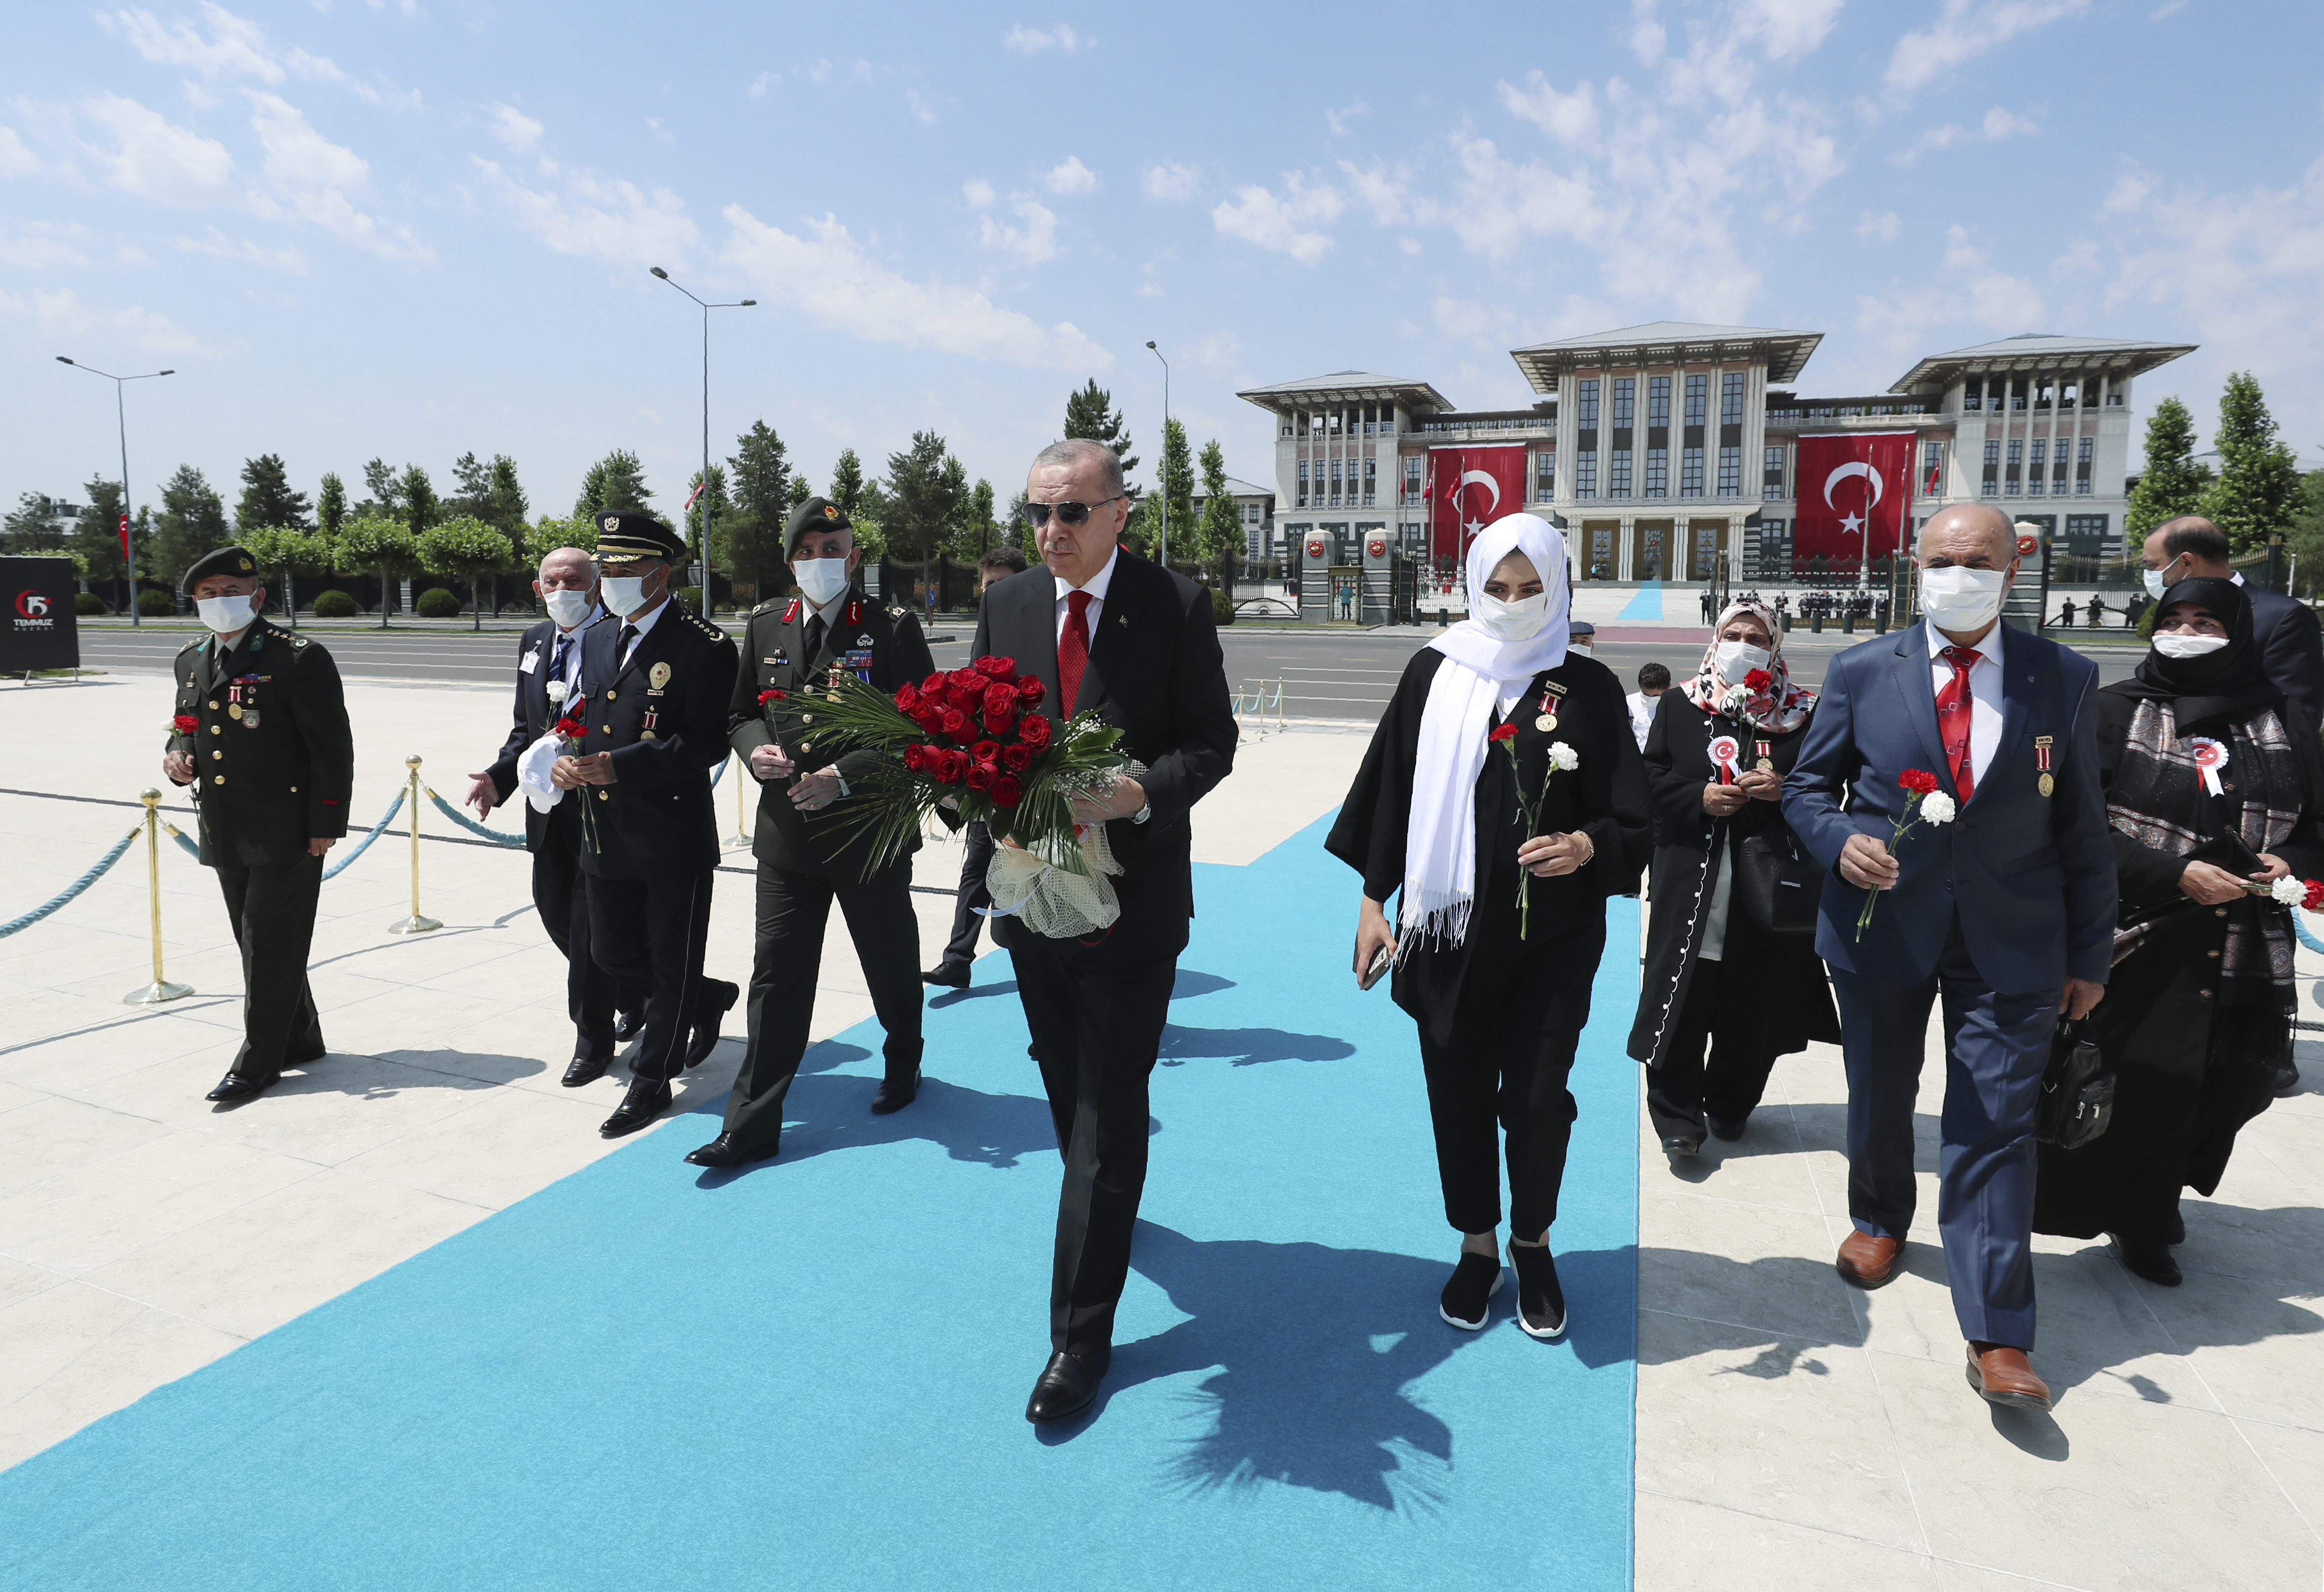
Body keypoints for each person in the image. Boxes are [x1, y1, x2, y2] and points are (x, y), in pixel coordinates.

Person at [1785, 504, 2115, 1411]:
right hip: (1881, 925)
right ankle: (1879, 1216)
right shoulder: (1860, 668)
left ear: (2013, 570)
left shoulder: (2066, 676)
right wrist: (1838, 839)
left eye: (1976, 559)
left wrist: (2090, 951)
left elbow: (2083, 826)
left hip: (2012, 939)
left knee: (1995, 1126)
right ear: (1913, 566)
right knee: (1880, 1089)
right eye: (1940, 558)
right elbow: (1810, 787)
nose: (1956, 572)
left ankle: (1999, 1330)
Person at [1328, 515, 1651, 1345]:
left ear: (1556, 588)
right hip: (1446, 936)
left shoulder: (1588, 689)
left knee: (1538, 1099)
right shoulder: (1433, 673)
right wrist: (1374, 900)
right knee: (1458, 1091)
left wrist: (1586, 845)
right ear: (1472, 586)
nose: (1510, 604)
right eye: (1496, 588)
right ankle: (1476, 1240)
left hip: (1554, 938)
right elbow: (1392, 791)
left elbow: (1634, 820)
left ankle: (1532, 1240)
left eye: (1528, 588)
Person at [974, 438, 1236, 1425]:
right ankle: (1106, 1206)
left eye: (1072, 513)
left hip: (1131, 907)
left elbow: (1211, 741)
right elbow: (975, 739)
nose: (1051, 532)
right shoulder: (1005, 606)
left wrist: (1136, 793)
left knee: (1104, 1109)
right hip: (1031, 899)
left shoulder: (1173, 603)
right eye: (1038, 513)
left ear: (1119, 512)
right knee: (1061, 1080)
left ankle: (1079, 1337)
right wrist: (980, 807)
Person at [2035, 578, 2324, 1280]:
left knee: (2220, 1088)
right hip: (2138, 934)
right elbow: (2073, 825)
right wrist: (2172, 872)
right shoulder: (2111, 711)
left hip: (2242, 945)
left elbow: (2315, 827)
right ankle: (2139, 1220)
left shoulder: (2281, 716)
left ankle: (2151, 1201)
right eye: (2173, 618)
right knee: (2138, 1081)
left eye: (2204, 620)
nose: (2186, 630)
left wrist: (2287, 859)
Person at [685, 498, 939, 1169]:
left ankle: (903, 1058)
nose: (820, 561)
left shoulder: (889, 627)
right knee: (776, 976)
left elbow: (921, 729)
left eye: (833, 549)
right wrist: (751, 751)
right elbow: (740, 712)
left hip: (865, 832)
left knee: (888, 961)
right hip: (787, 838)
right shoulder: (767, 624)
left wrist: (844, 775)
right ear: (790, 560)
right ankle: (750, 1124)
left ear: (854, 558)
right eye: (807, 551)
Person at [556, 513, 740, 1139]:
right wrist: (565, 759)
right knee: (610, 952)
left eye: (623, 569)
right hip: (605, 830)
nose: (609, 579)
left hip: (671, 836)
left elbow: (708, 741)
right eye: (605, 568)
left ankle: (651, 1081)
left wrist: (621, 765)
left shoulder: (703, 645)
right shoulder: (602, 637)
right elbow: (591, 715)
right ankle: (707, 996)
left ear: (660, 573)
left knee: (667, 966)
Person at [1630, 600, 1837, 1155]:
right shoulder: (1681, 704)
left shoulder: (1804, 712)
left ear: (1774, 646)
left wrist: (1784, 789)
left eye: (1756, 635)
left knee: (1755, 1000)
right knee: (1680, 996)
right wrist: (1696, 795)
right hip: (1690, 880)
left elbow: (1827, 787)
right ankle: (1677, 1115)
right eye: (1734, 632)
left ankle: (1730, 1102)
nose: (1743, 642)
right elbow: (1648, 775)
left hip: (1768, 883)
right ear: (1716, 638)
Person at [163, 545, 354, 1103]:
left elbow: (331, 750)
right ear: (194, 601)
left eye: (231, 592)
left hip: (288, 827)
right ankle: (299, 1036)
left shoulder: (298, 657)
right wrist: (176, 755)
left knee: (267, 940)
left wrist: (326, 823)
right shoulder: (191, 658)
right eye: (208, 595)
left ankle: (259, 1060)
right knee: (259, 941)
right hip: (225, 824)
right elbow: (187, 723)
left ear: (258, 596)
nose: (220, 603)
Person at [466, 547, 643, 1087]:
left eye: (574, 580)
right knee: (554, 912)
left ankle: (592, 1039)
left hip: (602, 805)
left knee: (594, 924)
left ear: (595, 586)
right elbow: (526, 727)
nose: (562, 589)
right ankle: (639, 987)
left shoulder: (622, 638)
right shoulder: (535, 640)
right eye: (552, 581)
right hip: (548, 807)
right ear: (537, 586)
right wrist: (499, 777)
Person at [925, 544, 1032, 989]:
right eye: (989, 585)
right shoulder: (986, 629)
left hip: (1031, 769)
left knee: (1032, 871)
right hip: (989, 770)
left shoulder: (1040, 629)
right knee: (978, 863)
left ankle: (1040, 973)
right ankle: (958, 958)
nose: (995, 593)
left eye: (1004, 584)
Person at [2144, 516, 2324, 730]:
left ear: (2187, 563)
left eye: (2153, 566)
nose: (2149, 575)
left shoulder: (2283, 617)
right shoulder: (2170, 612)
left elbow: (2299, 717)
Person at [1625, 663, 1671, 752]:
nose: (1650, 699)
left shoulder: (1672, 708)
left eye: (1656, 696)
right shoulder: (1628, 704)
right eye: (1646, 695)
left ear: (1668, 689)